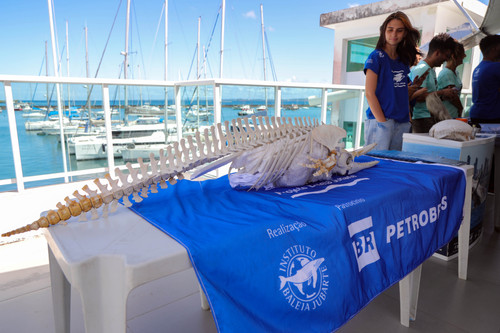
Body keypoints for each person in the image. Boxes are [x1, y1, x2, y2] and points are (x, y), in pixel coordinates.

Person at [364, 11, 422, 150]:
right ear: (384, 31)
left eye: (399, 30)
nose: (394, 34)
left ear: (405, 33)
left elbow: (402, 92)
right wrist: (383, 123)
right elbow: (369, 93)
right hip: (382, 122)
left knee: (394, 165)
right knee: (375, 167)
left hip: (402, 122)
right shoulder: (376, 57)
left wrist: (408, 118)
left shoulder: (403, 60)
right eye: (390, 30)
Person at [410, 33, 458, 133]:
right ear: (437, 52)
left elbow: (427, 94)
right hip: (422, 119)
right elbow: (417, 97)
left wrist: (443, 95)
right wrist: (442, 93)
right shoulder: (422, 69)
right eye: (446, 56)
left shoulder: (430, 69)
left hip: (429, 117)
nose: (446, 60)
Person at [470, 34, 500, 123]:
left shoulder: (478, 68)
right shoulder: (495, 67)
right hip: (491, 117)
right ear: (494, 48)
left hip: (477, 115)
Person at [437, 41, 466, 118]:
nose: (465, 56)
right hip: (447, 115)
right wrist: (460, 108)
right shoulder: (447, 73)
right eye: (462, 54)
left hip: (452, 114)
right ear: (454, 56)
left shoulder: (455, 72)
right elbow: (452, 97)